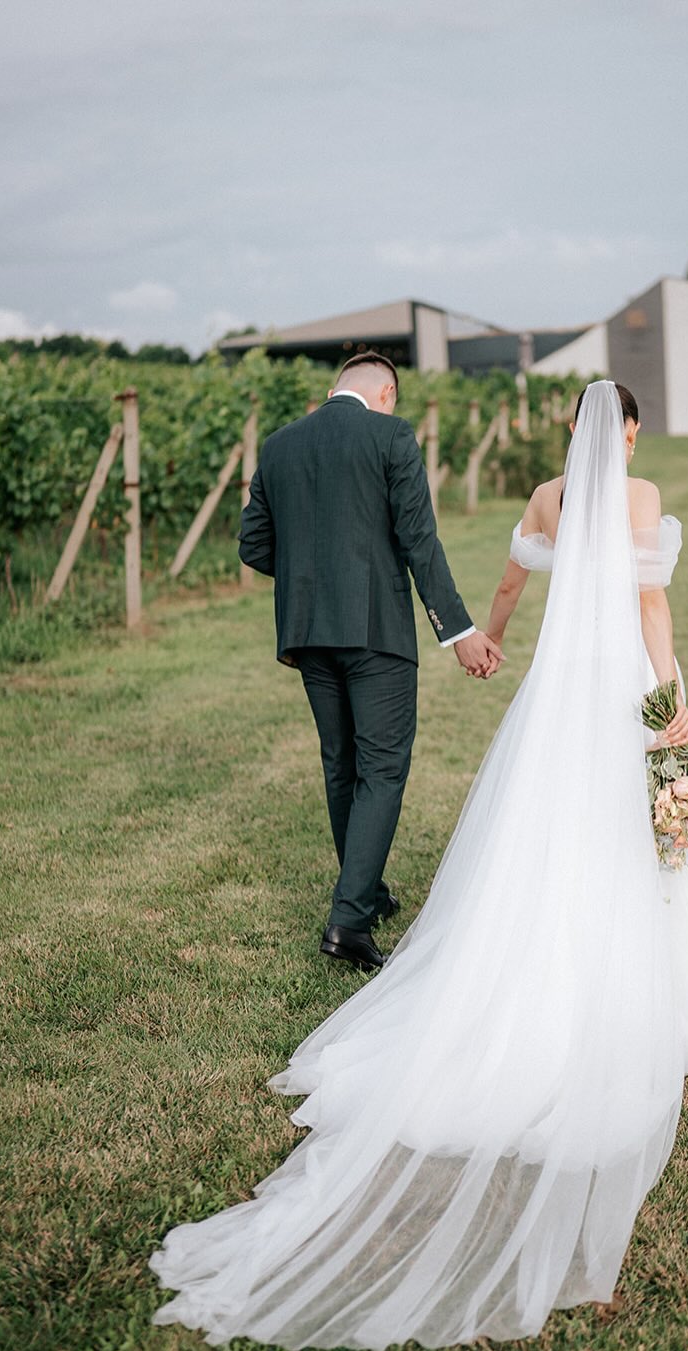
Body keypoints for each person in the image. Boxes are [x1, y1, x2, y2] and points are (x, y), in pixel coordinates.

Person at [151, 380, 688, 1351]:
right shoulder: (637, 498)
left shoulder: (551, 498)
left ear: (571, 431)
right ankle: (648, 997)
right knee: (634, 831)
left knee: (539, 824)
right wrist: (672, 692)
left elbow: (510, 579)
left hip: (555, 688)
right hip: (617, 683)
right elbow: (649, 605)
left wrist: (497, 635)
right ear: (627, 431)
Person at [237, 351, 504, 973]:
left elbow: (253, 543)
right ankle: (349, 922)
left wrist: (311, 576)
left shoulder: (279, 445)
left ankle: (367, 891)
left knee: (342, 763)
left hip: (306, 631)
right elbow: (418, 539)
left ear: (339, 389)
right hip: (375, 631)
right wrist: (458, 630)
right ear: (385, 393)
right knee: (381, 768)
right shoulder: (392, 434)